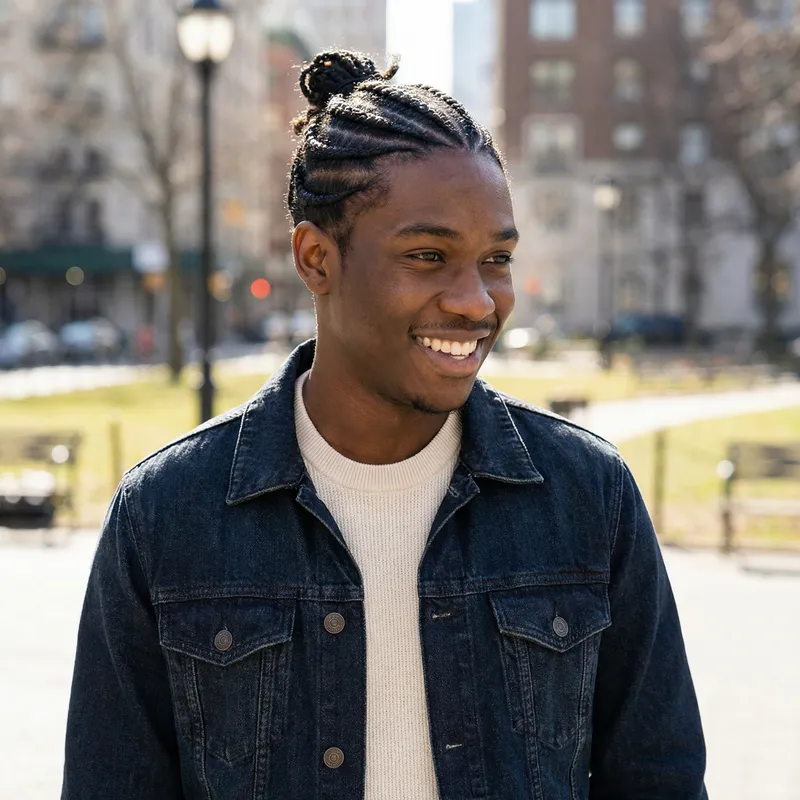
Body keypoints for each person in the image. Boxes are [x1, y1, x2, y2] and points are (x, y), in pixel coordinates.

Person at [62, 51, 707, 799]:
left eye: (496, 259)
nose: (476, 301)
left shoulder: (590, 497)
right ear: (316, 259)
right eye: (428, 255)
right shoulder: (165, 515)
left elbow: (659, 778)